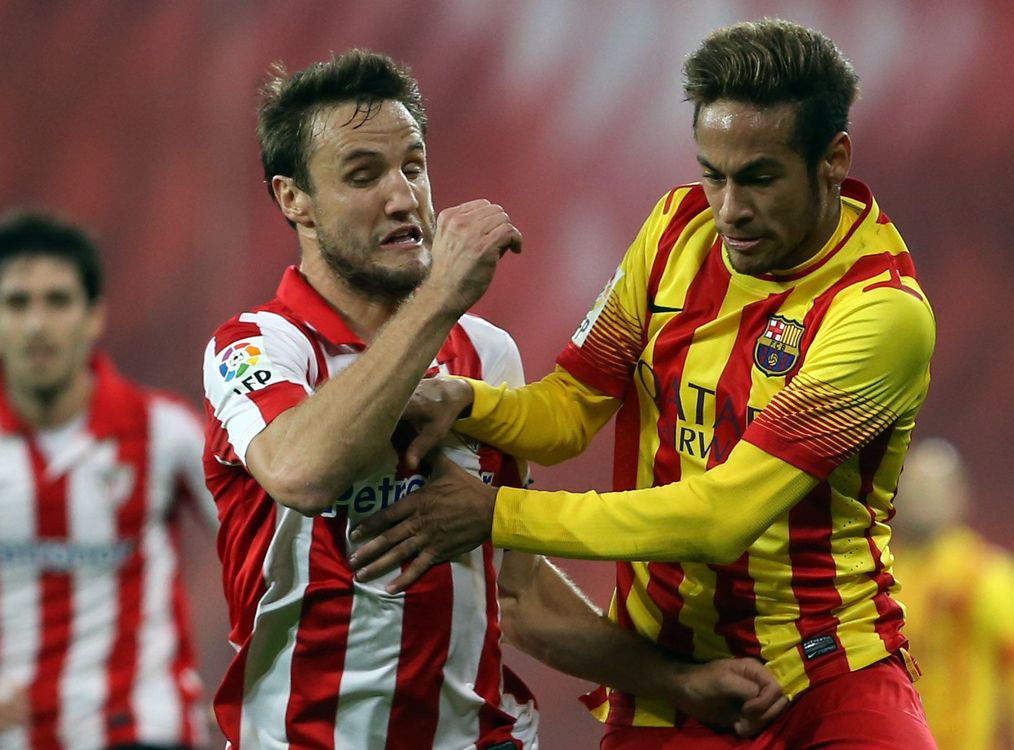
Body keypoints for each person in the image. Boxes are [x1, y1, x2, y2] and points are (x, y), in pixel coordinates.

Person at [352, 18, 938, 750]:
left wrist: (495, 513)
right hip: (671, 679)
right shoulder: (675, 232)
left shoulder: (879, 312)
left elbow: (722, 517)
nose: (731, 209)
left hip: (827, 671)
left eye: (760, 178)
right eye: (714, 174)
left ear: (833, 160)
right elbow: (570, 410)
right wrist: (470, 403)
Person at [201, 49, 785, 750]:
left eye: (413, 167)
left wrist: (679, 683)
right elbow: (302, 472)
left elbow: (518, 590)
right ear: (293, 198)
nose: (403, 198)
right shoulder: (255, 347)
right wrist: (440, 295)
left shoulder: (484, 354)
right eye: (363, 175)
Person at [0, 211, 216, 750]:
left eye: (57, 301)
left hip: (141, 726)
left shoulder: (164, 430)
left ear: (94, 316)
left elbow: (267, 550)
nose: (37, 325)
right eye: (17, 303)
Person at [890, 438, 1014, 750]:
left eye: (933, 488)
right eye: (913, 486)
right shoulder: (884, 573)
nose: (922, 497)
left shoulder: (990, 575)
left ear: (960, 495)